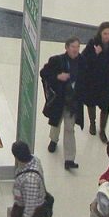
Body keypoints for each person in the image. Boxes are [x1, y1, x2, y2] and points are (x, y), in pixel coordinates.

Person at [41, 37, 84, 170]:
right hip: (59, 100)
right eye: (73, 46)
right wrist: (57, 77)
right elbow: (44, 73)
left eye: (77, 46)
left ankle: (69, 159)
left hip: (72, 102)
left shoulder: (82, 61)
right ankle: (54, 139)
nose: (75, 49)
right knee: (56, 122)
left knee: (70, 129)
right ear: (66, 47)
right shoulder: (57, 60)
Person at [8, 141, 53, 217]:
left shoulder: (30, 180)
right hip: (20, 205)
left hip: (32, 211)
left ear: (17, 157)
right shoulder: (34, 160)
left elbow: (30, 207)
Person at [82, 22, 109, 143]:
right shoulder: (93, 43)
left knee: (105, 106)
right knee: (91, 103)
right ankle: (92, 123)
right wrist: (95, 53)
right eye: (105, 33)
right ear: (100, 33)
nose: (107, 36)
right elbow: (84, 59)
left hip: (106, 81)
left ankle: (102, 129)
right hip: (92, 80)